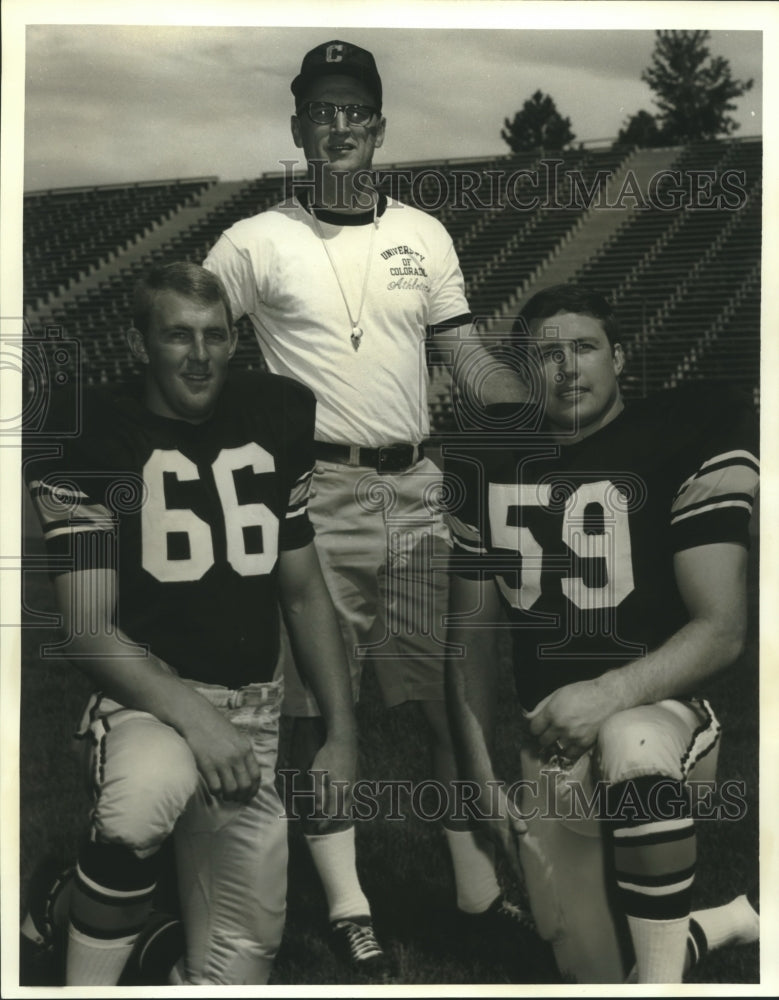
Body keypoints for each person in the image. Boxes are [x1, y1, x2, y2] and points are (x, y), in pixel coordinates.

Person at [203, 38, 531, 975]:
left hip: (418, 488)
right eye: (321, 110)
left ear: (378, 128)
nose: (338, 125)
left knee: (448, 703)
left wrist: (517, 404)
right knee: (316, 709)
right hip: (319, 495)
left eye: (355, 111)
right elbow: (193, 345)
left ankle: (477, 892)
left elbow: (463, 355)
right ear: (297, 125)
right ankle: (349, 906)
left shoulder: (423, 234)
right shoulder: (253, 240)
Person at [22, 262, 357, 986]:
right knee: (144, 798)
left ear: (235, 338)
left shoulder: (275, 413)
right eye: (177, 335)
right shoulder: (90, 433)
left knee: (235, 971)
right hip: (148, 701)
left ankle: (72, 904)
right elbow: (86, 629)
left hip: (254, 714)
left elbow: (302, 593)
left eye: (215, 335)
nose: (199, 356)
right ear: (139, 339)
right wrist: (197, 720)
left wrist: (340, 730)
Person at [443, 283, 760, 983]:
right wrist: (479, 777)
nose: (565, 367)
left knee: (631, 745)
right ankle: (724, 921)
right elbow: (468, 644)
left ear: (618, 356)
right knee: (590, 972)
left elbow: (723, 630)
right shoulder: (488, 464)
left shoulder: (686, 428)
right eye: (544, 355)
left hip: (663, 717)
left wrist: (607, 693)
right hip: (548, 738)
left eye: (582, 347)